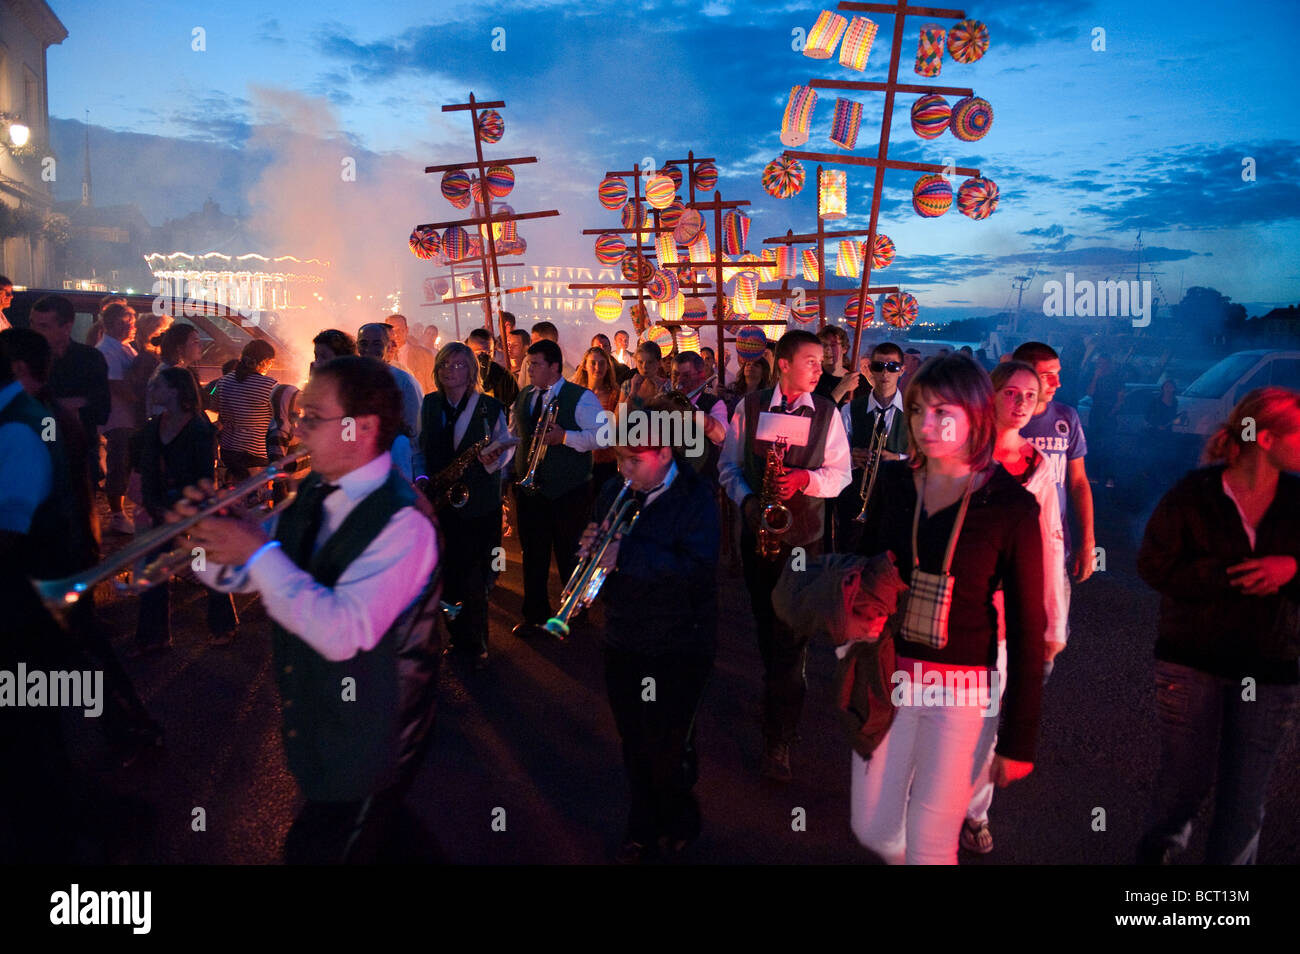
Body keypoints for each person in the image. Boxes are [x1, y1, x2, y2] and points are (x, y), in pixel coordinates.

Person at [179, 355, 442, 863]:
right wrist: (202, 541)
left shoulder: (404, 521)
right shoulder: (317, 491)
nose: (293, 427)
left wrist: (253, 548)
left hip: (374, 740)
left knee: (319, 849)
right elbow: (246, 574)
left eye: (311, 416)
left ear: (360, 427)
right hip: (325, 732)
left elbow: (343, 631)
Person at [853, 354, 1046, 864]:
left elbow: (1030, 627)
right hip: (890, 673)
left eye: (943, 412)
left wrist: (1019, 740)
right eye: (917, 411)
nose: (925, 426)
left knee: (933, 833)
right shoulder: (893, 486)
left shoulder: (1012, 507)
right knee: (875, 827)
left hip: (963, 686)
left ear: (977, 415)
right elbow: (862, 562)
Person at [1135, 388, 1300, 865]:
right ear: (1266, 438)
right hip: (1191, 662)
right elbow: (1154, 565)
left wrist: (1291, 569)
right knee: (1180, 787)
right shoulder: (1195, 493)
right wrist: (1228, 574)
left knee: (1245, 796)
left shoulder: (1297, 500)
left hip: (1270, 668)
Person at [581, 393, 721, 863]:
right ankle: (642, 825)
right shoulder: (612, 491)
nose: (623, 469)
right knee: (634, 738)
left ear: (664, 453)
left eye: (632, 460)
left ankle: (679, 815)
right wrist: (593, 554)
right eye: (619, 459)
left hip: (680, 643)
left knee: (666, 743)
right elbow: (605, 550)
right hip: (624, 637)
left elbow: (697, 570)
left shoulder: (698, 498)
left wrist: (627, 555)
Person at [718, 329, 852, 781]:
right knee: (766, 628)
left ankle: (780, 735)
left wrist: (804, 481)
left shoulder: (828, 413)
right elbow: (729, 467)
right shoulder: (749, 407)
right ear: (784, 365)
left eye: (822, 361)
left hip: (805, 544)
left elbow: (841, 475)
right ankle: (778, 697)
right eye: (812, 361)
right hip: (760, 539)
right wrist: (750, 502)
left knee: (789, 639)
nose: (821, 368)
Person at [961, 360, 1067, 855]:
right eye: (1012, 393)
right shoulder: (961, 452)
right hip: (950, 606)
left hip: (1002, 616)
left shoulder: (1037, 467)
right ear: (991, 395)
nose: (1022, 403)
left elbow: (1049, 546)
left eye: (1031, 395)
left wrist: (1053, 621)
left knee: (987, 718)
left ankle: (975, 809)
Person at [415, 342, 513, 668]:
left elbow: (507, 445)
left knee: (475, 577)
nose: (449, 370)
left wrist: (492, 458)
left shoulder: (490, 406)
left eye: (458, 365)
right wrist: (422, 478)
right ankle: (456, 638)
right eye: (444, 364)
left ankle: (476, 643)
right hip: (440, 502)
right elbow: (419, 447)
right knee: (447, 577)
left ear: (471, 371)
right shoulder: (430, 404)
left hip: (478, 504)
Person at [133, 367, 239, 651]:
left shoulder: (198, 428)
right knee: (155, 568)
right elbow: (147, 467)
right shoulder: (155, 425)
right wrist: (152, 503)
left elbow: (204, 476)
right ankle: (154, 636)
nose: (152, 389)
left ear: (176, 391)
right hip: (163, 508)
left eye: (158, 385)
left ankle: (222, 625)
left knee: (204, 564)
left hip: (197, 509)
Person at [509, 339, 604, 639]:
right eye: (529, 364)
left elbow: (602, 437)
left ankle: (575, 613)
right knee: (533, 554)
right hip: (531, 490)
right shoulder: (524, 396)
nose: (529, 369)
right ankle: (534, 615)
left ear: (553, 367)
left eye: (535, 364)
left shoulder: (582, 397)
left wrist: (564, 437)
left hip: (569, 490)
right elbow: (515, 436)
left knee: (570, 553)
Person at [1012, 341, 1095, 645]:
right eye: (1048, 375)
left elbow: (1078, 482)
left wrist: (1088, 543)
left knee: (1051, 638)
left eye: (1058, 374)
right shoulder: (1003, 418)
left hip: (1055, 545)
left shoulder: (1066, 418)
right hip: (1011, 544)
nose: (1058, 383)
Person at [837, 342, 910, 552]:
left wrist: (897, 459)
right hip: (853, 504)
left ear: (902, 371)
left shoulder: (914, 413)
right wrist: (851, 457)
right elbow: (833, 456)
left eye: (893, 367)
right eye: (879, 367)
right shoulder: (850, 410)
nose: (885, 373)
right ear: (870, 369)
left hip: (896, 505)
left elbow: (925, 461)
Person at [357, 322, 422, 480]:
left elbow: (416, 433)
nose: (369, 349)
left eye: (377, 343)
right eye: (364, 343)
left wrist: (420, 473)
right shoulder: (348, 383)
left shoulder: (404, 382)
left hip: (396, 471)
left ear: (388, 347)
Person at [96, 302, 140, 534]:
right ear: (114, 324)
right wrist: (142, 399)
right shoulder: (107, 351)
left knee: (128, 464)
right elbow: (116, 385)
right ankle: (117, 514)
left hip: (130, 418)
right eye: (129, 322)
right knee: (119, 464)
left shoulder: (125, 347)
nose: (134, 327)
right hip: (118, 418)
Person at [214, 339, 277, 484]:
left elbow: (215, 405)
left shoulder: (223, 381)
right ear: (265, 362)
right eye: (271, 362)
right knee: (254, 497)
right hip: (255, 454)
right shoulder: (270, 386)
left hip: (228, 451)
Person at [572, 345, 622, 490]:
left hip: (606, 461)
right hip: (580, 459)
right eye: (593, 363)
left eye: (602, 363)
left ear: (607, 367)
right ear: (585, 366)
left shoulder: (614, 394)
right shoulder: (576, 393)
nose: (597, 367)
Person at [467, 327, 519, 408]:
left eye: (488, 352)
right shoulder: (461, 375)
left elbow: (514, 407)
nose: (484, 357)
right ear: (469, 351)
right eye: (479, 352)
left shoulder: (504, 376)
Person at [814, 325, 861, 407]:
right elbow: (819, 412)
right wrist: (842, 388)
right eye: (824, 345)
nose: (827, 349)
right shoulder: (814, 378)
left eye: (833, 345)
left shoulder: (857, 380)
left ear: (844, 348)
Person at [387, 313, 434, 391]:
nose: (395, 335)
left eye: (399, 330)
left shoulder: (424, 355)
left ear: (407, 330)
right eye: (391, 331)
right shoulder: (381, 357)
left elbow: (432, 387)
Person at [620, 341, 671, 410]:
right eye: (640, 362)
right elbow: (618, 419)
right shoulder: (628, 385)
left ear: (659, 363)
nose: (644, 366)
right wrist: (632, 393)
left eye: (650, 362)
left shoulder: (668, 386)